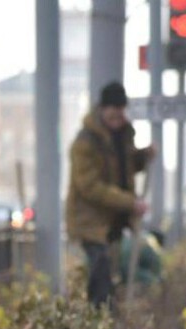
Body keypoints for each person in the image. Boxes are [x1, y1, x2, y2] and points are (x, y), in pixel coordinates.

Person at [65, 81, 154, 308]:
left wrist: (142, 157)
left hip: (114, 221)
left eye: (120, 115)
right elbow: (90, 186)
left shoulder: (123, 136)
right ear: (103, 110)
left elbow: (122, 169)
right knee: (100, 270)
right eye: (113, 115)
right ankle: (99, 320)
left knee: (113, 271)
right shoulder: (85, 142)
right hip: (91, 222)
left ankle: (109, 321)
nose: (117, 120)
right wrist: (129, 203)